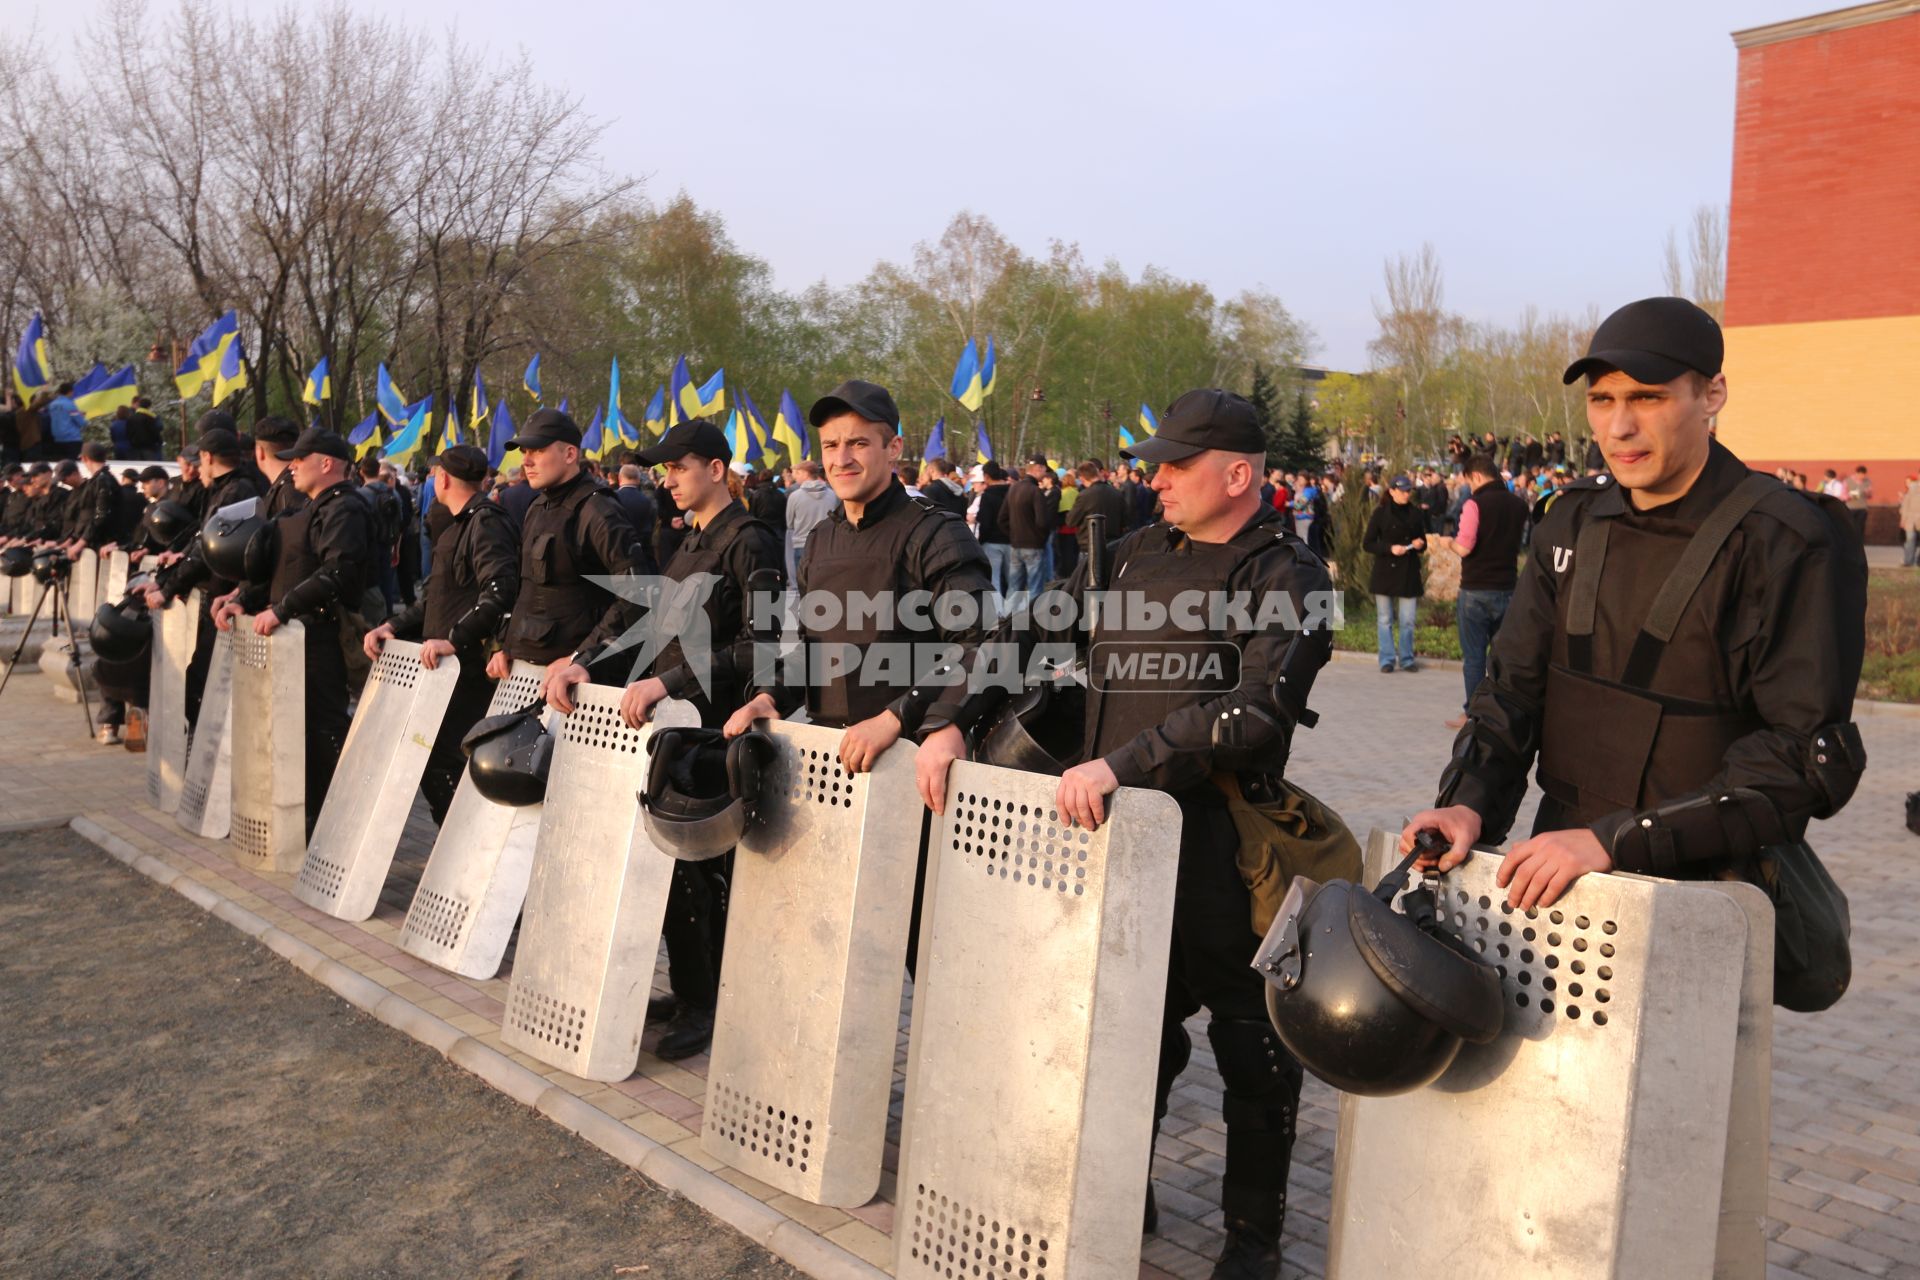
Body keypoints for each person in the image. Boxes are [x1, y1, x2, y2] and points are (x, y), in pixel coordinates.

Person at [914, 388, 1335, 1280]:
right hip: (1110, 841)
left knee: (1253, 1048)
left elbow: (1259, 712)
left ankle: (1253, 1237)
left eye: (1177, 464)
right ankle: (1117, 1186)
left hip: (1224, 847)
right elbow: (1024, 632)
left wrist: (1127, 764)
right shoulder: (1133, 553)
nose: (1158, 477)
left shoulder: (1289, 576)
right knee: (1124, 1030)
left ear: (1238, 473)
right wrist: (948, 717)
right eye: (1157, 461)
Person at [1401, 297, 1867, 925]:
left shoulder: (1783, 539)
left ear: (1712, 394)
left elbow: (1799, 757)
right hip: (1557, 875)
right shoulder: (1570, 519)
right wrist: (1467, 803)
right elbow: (1511, 693)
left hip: (1706, 893)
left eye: (1647, 398)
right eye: (1602, 400)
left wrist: (1615, 840)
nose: (1619, 427)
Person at [549, 419, 783, 1061]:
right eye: (663, 471)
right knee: (679, 872)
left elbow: (763, 646)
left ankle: (710, 1002)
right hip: (675, 729)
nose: (667, 480)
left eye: (678, 468)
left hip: (718, 727)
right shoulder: (688, 542)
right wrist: (585, 659)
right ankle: (689, 989)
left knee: (706, 872)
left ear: (715, 468)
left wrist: (667, 681)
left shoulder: (751, 542)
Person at [216, 427, 377, 836]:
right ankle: (304, 818)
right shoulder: (308, 508)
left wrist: (283, 609)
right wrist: (244, 600)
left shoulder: (345, 509)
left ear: (326, 464)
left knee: (323, 731)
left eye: (300, 459)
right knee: (295, 730)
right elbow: (285, 570)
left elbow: (337, 571)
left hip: (320, 637)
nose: (292, 467)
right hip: (294, 639)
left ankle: (331, 825)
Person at [364, 444, 520, 825]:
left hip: (466, 670)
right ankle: (452, 850)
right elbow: (436, 598)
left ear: (443, 478)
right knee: (433, 761)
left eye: (434, 474)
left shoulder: (485, 521)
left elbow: (501, 590)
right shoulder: (459, 523)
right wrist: (393, 625)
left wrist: (456, 638)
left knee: (445, 762)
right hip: (444, 668)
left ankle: (463, 850)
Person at [495, 409, 645, 694]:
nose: (526, 461)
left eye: (537, 450)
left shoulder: (598, 511)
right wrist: (507, 646)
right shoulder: (537, 506)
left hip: (580, 687)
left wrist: (581, 658)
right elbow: (528, 590)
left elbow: (637, 595)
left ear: (570, 454)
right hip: (526, 674)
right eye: (525, 451)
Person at [146, 420, 265, 729]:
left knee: (203, 686)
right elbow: (198, 540)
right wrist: (167, 573)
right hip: (215, 596)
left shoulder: (237, 491)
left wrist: (168, 588)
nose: (197, 469)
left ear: (209, 457)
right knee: (199, 684)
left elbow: (208, 551)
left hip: (225, 600)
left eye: (199, 460)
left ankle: (205, 765)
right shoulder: (224, 490)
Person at [1447, 452, 1527, 729]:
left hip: (1475, 591)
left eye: (1468, 481)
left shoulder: (1474, 504)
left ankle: (1475, 712)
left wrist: (1449, 545)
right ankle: (1503, 710)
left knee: (1474, 658)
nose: (1469, 487)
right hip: (1508, 588)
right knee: (1502, 657)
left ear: (1476, 476)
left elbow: (1465, 546)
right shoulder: (1519, 505)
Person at [1362, 474, 1427, 673]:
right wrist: (1390, 548)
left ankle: (1407, 658)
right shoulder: (1381, 513)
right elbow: (1368, 543)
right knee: (1385, 618)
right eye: (1402, 491)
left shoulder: (1415, 513)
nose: (1406, 494)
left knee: (1408, 620)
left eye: (1408, 491)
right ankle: (1387, 658)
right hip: (1385, 571)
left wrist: (1418, 544)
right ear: (1391, 491)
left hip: (1408, 571)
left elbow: (1422, 541)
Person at [1001, 455, 1054, 605]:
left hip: (1016, 545)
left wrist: (1013, 535)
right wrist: (1040, 538)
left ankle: (1007, 623)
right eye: (1045, 470)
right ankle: (1032, 624)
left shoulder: (1013, 489)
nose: (1045, 475)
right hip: (1033, 546)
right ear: (1039, 468)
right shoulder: (1035, 492)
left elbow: (1002, 519)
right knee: (1035, 590)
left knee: (1014, 589)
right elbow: (1042, 522)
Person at [784, 459, 838, 584]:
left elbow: (790, 523)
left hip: (802, 545)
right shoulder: (832, 494)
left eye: (797, 473)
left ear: (805, 473)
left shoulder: (795, 496)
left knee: (803, 587)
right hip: (827, 544)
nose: (794, 476)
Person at [1067, 458, 1128, 556]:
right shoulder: (1116, 493)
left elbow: (1070, 521)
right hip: (1113, 545)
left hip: (1090, 546)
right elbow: (1125, 521)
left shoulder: (1085, 495)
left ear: (1082, 478)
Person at [612, 464, 660, 575]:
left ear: (619, 478)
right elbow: (653, 523)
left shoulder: (612, 499)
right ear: (638, 479)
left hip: (619, 555)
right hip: (644, 551)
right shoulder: (647, 500)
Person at [973, 462, 1013, 594]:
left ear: (986, 476)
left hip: (991, 542)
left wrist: (981, 541)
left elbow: (985, 522)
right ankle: (1019, 608)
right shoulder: (1012, 492)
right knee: (1013, 578)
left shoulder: (987, 496)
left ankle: (997, 610)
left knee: (993, 578)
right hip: (1012, 540)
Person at [44, 382, 85, 461]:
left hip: (57, 439)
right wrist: (82, 416)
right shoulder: (69, 404)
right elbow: (81, 422)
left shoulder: (52, 405)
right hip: (72, 439)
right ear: (70, 392)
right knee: (73, 464)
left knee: (61, 464)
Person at [1845, 465, 1872, 542]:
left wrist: (1868, 493)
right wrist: (1852, 495)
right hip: (1851, 507)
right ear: (1856, 473)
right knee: (1850, 527)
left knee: (1860, 528)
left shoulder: (1868, 481)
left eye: (1864, 475)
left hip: (1862, 508)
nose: (1862, 477)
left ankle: (1859, 545)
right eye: (1860, 474)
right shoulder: (1848, 481)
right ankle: (1850, 543)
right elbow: (1842, 495)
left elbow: (1870, 496)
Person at [1901, 474, 1920, 568]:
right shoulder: (1913, 487)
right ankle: (1908, 561)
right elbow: (1905, 504)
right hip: (1910, 518)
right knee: (1909, 540)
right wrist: (1903, 519)